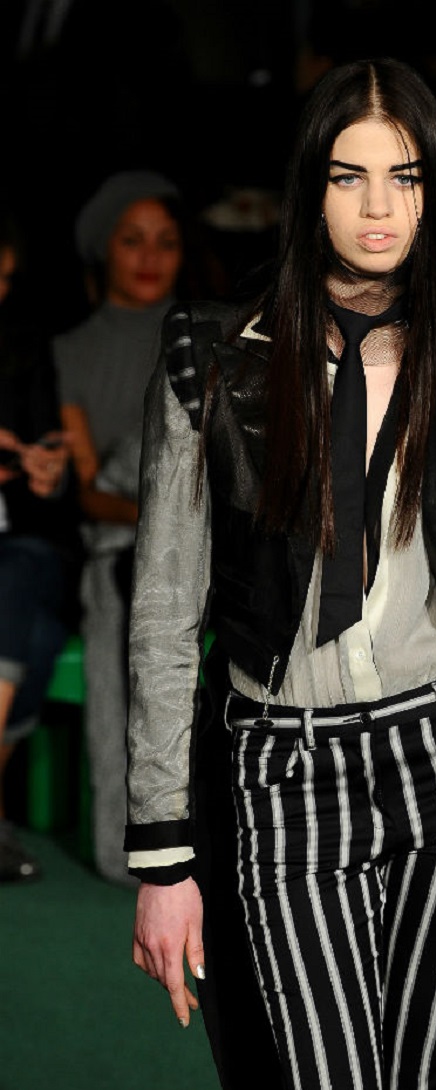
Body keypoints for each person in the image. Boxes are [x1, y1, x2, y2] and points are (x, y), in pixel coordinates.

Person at [125, 57, 436, 1090]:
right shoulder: (213, 359)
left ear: (435, 193)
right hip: (285, 771)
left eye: (405, 176)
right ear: (310, 186)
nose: (379, 207)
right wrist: (163, 853)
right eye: (350, 176)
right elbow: (163, 616)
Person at [52, 169, 194, 885]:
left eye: (166, 241)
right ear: (103, 248)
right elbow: (87, 492)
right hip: (122, 542)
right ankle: (127, 839)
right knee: (122, 597)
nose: (149, 256)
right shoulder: (70, 352)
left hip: (203, 537)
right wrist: (153, 515)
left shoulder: (201, 335)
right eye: (133, 240)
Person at [0, 203, 80, 881]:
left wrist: (48, 470)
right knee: (38, 634)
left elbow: (54, 465)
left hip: (23, 545)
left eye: (2, 278)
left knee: (23, 571)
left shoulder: (26, 348)